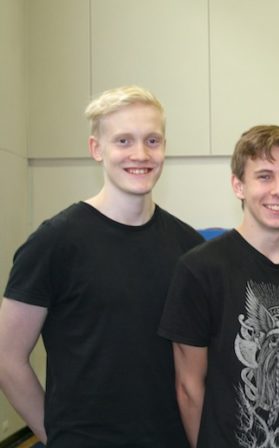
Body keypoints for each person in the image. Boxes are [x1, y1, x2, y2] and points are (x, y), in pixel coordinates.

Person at [0, 85, 203, 447]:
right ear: (96, 149)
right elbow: (6, 356)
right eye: (123, 141)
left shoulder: (189, 247)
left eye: (152, 140)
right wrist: (56, 436)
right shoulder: (54, 243)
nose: (140, 154)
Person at [158, 124, 279, 448]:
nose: (278, 190)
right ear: (238, 185)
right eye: (264, 176)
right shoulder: (200, 269)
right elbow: (189, 387)